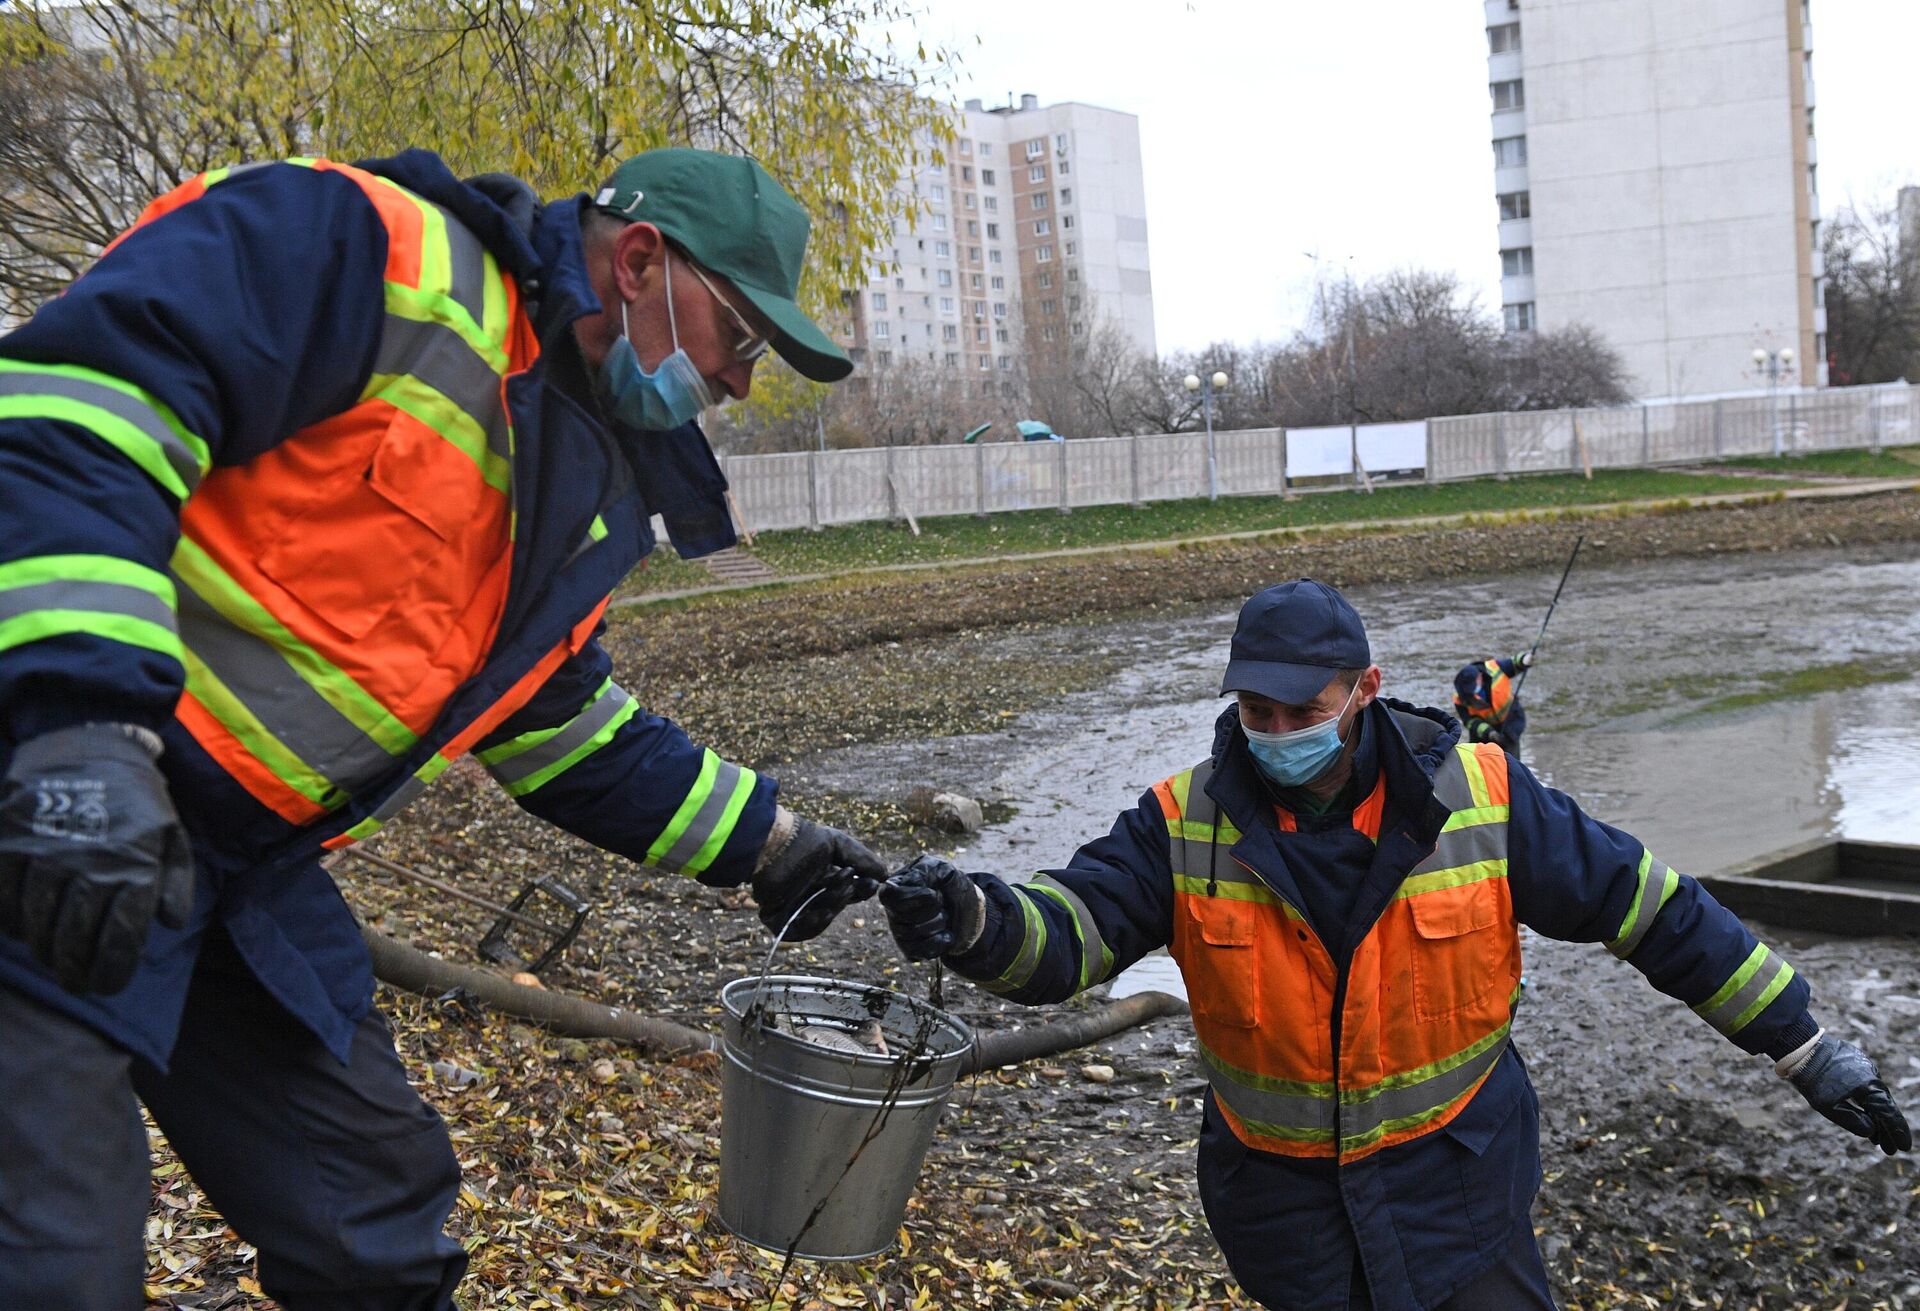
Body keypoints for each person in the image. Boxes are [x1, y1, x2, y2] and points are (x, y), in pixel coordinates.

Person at [0, 147, 887, 1306]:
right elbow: (75, 414)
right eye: (742, 343)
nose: (739, 384)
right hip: (54, 787)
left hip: (231, 865)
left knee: (376, 1223)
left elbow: (559, 727)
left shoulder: (580, 474)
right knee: (52, 1259)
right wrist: (80, 731)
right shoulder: (358, 243)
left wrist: (771, 843)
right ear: (639, 263)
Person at [880, 578, 1910, 1311]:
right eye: (1255, 710)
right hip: (1288, 1222)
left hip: (1464, 1196)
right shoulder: (1181, 822)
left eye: (1303, 709)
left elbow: (1655, 910)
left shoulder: (1488, 798)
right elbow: (1069, 934)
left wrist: (1804, 1047)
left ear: (1365, 689)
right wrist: (974, 918)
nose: (1277, 731)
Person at [1453, 651, 1531, 756]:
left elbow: (1514, 663)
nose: (1471, 693)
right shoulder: (1459, 698)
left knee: (1512, 763)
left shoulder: (1495, 668)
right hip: (1483, 736)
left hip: (1510, 723)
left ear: (1480, 677)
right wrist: (1489, 733)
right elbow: (1470, 721)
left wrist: (1525, 659)